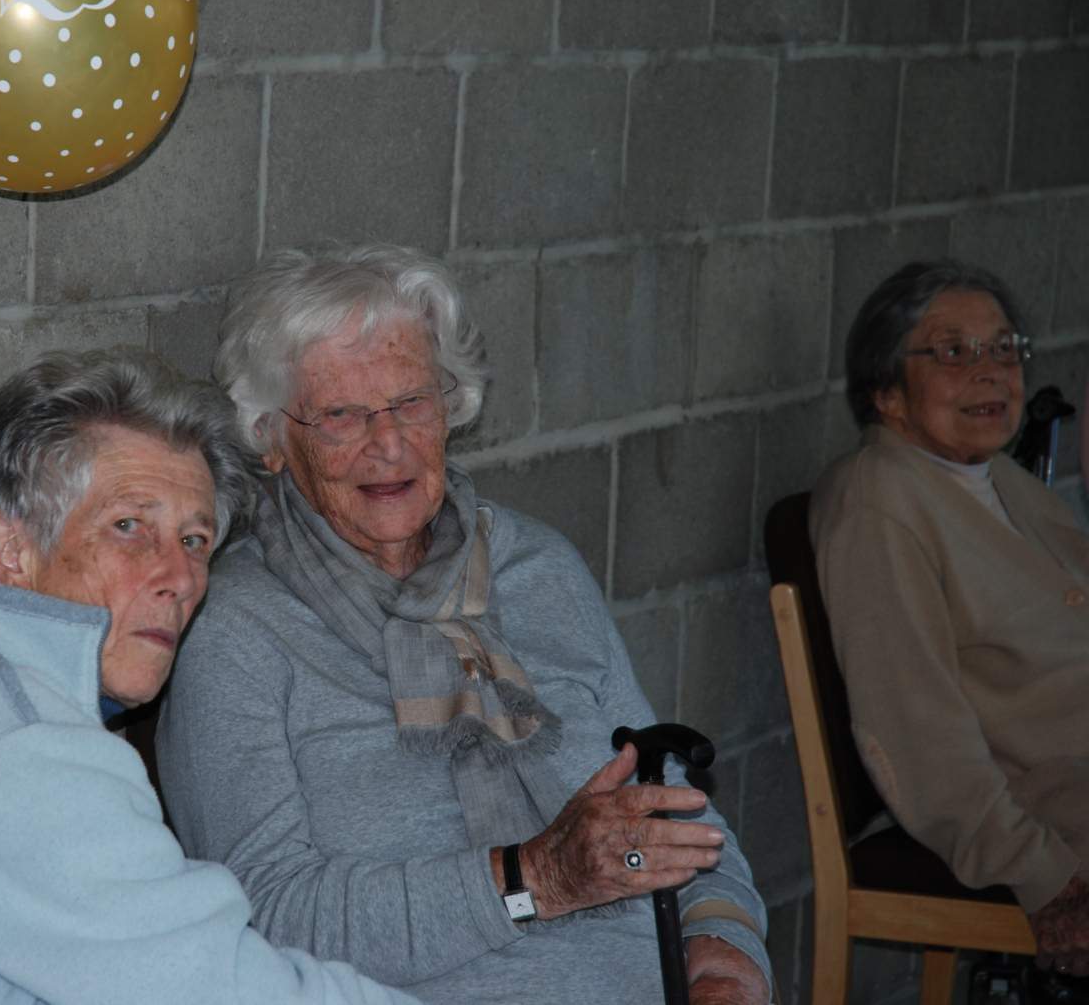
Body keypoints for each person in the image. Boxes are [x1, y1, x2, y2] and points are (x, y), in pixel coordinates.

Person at [156, 245, 772, 1004]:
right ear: (272, 440)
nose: (388, 444)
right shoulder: (236, 631)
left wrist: (724, 957)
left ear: (451, 406)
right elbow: (264, 914)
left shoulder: (536, 567)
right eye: (342, 415)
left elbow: (669, 800)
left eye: (412, 402)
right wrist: (536, 877)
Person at [0, 350, 422, 1005]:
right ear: (11, 551)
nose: (182, 578)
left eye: (194, 540)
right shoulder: (13, 746)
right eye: (129, 526)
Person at [811, 260, 1089, 980]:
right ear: (886, 391)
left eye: (1003, 348)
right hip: (1052, 808)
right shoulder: (879, 499)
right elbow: (915, 732)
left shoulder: (1000, 479)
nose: (991, 371)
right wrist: (1043, 874)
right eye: (954, 351)